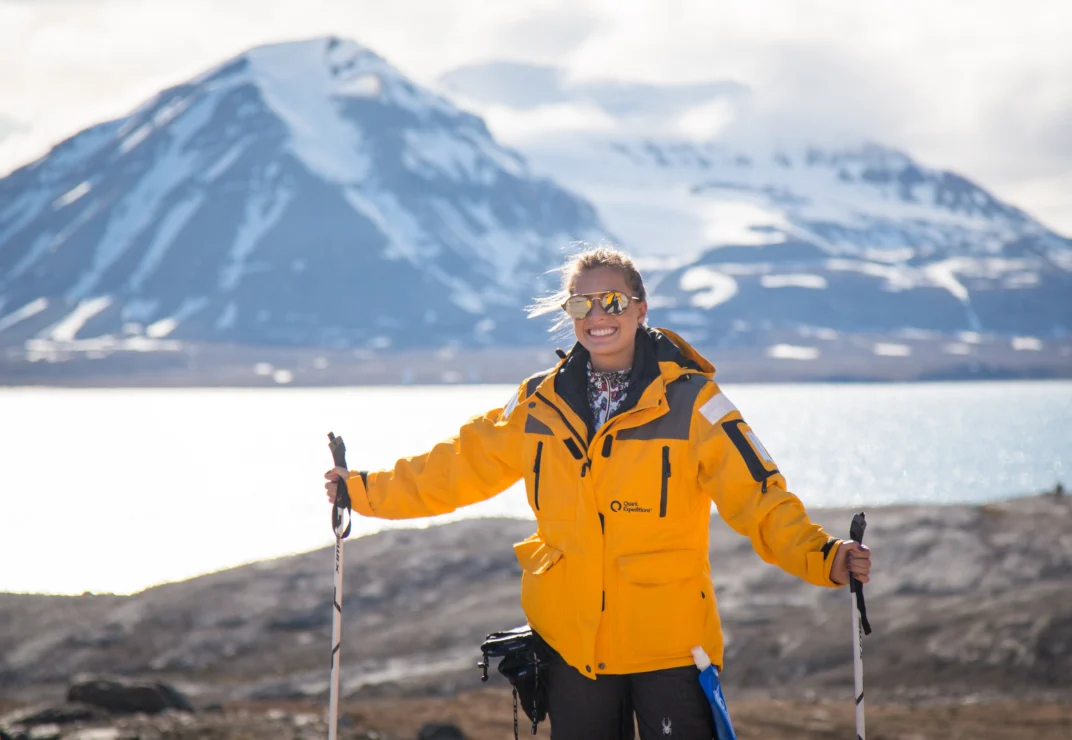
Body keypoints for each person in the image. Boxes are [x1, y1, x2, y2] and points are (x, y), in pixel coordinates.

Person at [324, 245, 872, 740]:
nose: (596, 317)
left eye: (610, 301)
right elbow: (458, 466)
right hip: (570, 650)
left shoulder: (696, 404)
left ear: (640, 308)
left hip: (672, 650)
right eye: (580, 305)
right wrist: (363, 492)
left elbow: (761, 497)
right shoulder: (538, 403)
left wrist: (824, 555)